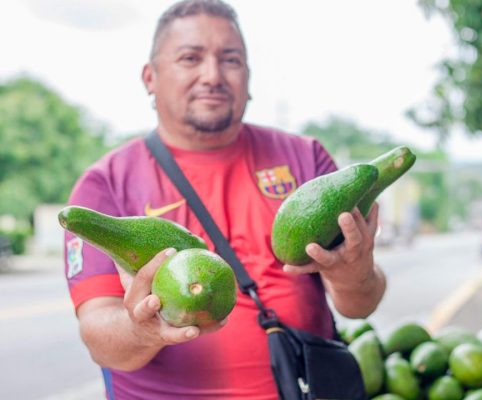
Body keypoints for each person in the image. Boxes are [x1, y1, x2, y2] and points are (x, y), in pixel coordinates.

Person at [63, 0, 386, 398]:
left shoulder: (306, 158)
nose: (212, 75)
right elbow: (98, 335)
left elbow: (361, 304)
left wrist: (353, 273)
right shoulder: (105, 184)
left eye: (230, 59)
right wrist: (139, 329)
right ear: (150, 77)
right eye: (190, 58)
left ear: (249, 77)